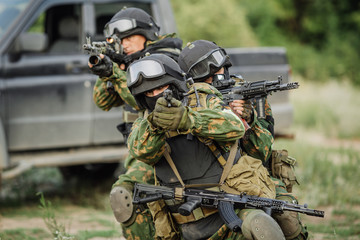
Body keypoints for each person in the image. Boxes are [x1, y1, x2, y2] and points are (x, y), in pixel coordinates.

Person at [126, 53, 285, 240]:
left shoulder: (202, 98)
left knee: (262, 226)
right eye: (149, 93)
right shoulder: (144, 123)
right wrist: (155, 125)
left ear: (175, 83)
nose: (156, 96)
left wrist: (189, 119)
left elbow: (233, 124)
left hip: (231, 207)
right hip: (185, 224)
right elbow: (139, 150)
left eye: (161, 87)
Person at [178, 40, 308, 240]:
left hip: (250, 175)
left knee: (288, 218)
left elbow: (262, 151)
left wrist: (248, 120)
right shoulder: (187, 102)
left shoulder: (244, 94)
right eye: (211, 73)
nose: (220, 73)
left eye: (221, 68)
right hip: (208, 183)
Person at [88, 7, 182, 240]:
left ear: (147, 34)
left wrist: (115, 74)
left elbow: (146, 102)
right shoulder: (126, 61)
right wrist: (108, 69)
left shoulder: (165, 57)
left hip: (169, 145)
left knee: (126, 194)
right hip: (141, 146)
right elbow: (103, 102)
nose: (125, 44)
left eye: (130, 37)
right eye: (121, 40)